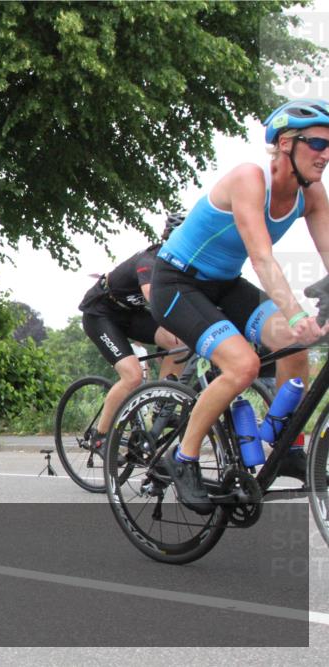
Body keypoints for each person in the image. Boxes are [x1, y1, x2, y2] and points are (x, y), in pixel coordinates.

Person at [150, 99, 329, 514]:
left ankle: (285, 447)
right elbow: (262, 258)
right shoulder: (251, 180)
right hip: (178, 282)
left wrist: (298, 322)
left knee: (293, 345)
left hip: (225, 285)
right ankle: (184, 459)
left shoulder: (312, 195)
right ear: (286, 144)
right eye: (317, 143)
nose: (325, 155)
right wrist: (298, 313)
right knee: (245, 365)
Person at [78, 214, 186, 451]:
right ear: (169, 240)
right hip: (101, 313)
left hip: (130, 313)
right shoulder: (150, 260)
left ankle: (161, 405)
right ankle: (100, 436)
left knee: (179, 345)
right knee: (133, 376)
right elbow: (155, 300)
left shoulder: (182, 266)